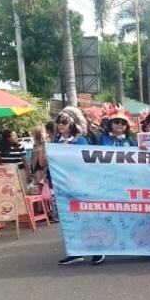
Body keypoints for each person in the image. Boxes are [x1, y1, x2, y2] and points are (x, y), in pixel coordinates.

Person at [54, 107, 104, 266]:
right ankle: (75, 252)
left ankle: (98, 250)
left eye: (64, 122)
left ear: (72, 124)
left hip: (82, 184)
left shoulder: (81, 141)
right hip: (64, 185)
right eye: (58, 122)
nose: (60, 125)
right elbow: (46, 162)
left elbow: (85, 162)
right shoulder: (56, 142)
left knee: (89, 217)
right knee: (69, 219)